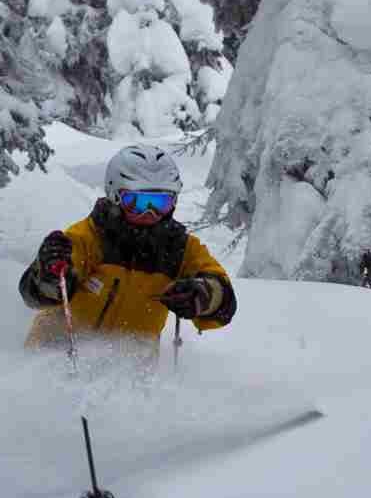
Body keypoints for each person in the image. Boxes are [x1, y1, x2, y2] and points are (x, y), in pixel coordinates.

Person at [19, 143, 236, 352]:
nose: (149, 214)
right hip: (56, 359)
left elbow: (223, 301)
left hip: (131, 380)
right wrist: (49, 274)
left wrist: (204, 295)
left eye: (160, 203)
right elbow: (36, 294)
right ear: (115, 196)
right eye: (137, 202)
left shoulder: (180, 250)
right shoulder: (89, 237)